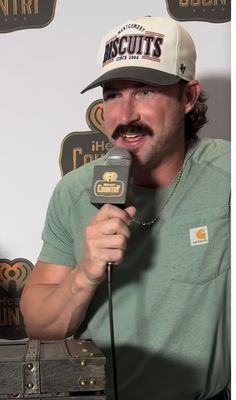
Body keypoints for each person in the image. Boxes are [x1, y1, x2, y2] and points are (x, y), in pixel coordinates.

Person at [20, 16, 230, 400]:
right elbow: (39, 322)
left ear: (188, 97)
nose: (125, 115)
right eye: (113, 94)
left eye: (146, 91)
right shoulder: (74, 190)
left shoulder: (226, 175)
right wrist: (86, 273)